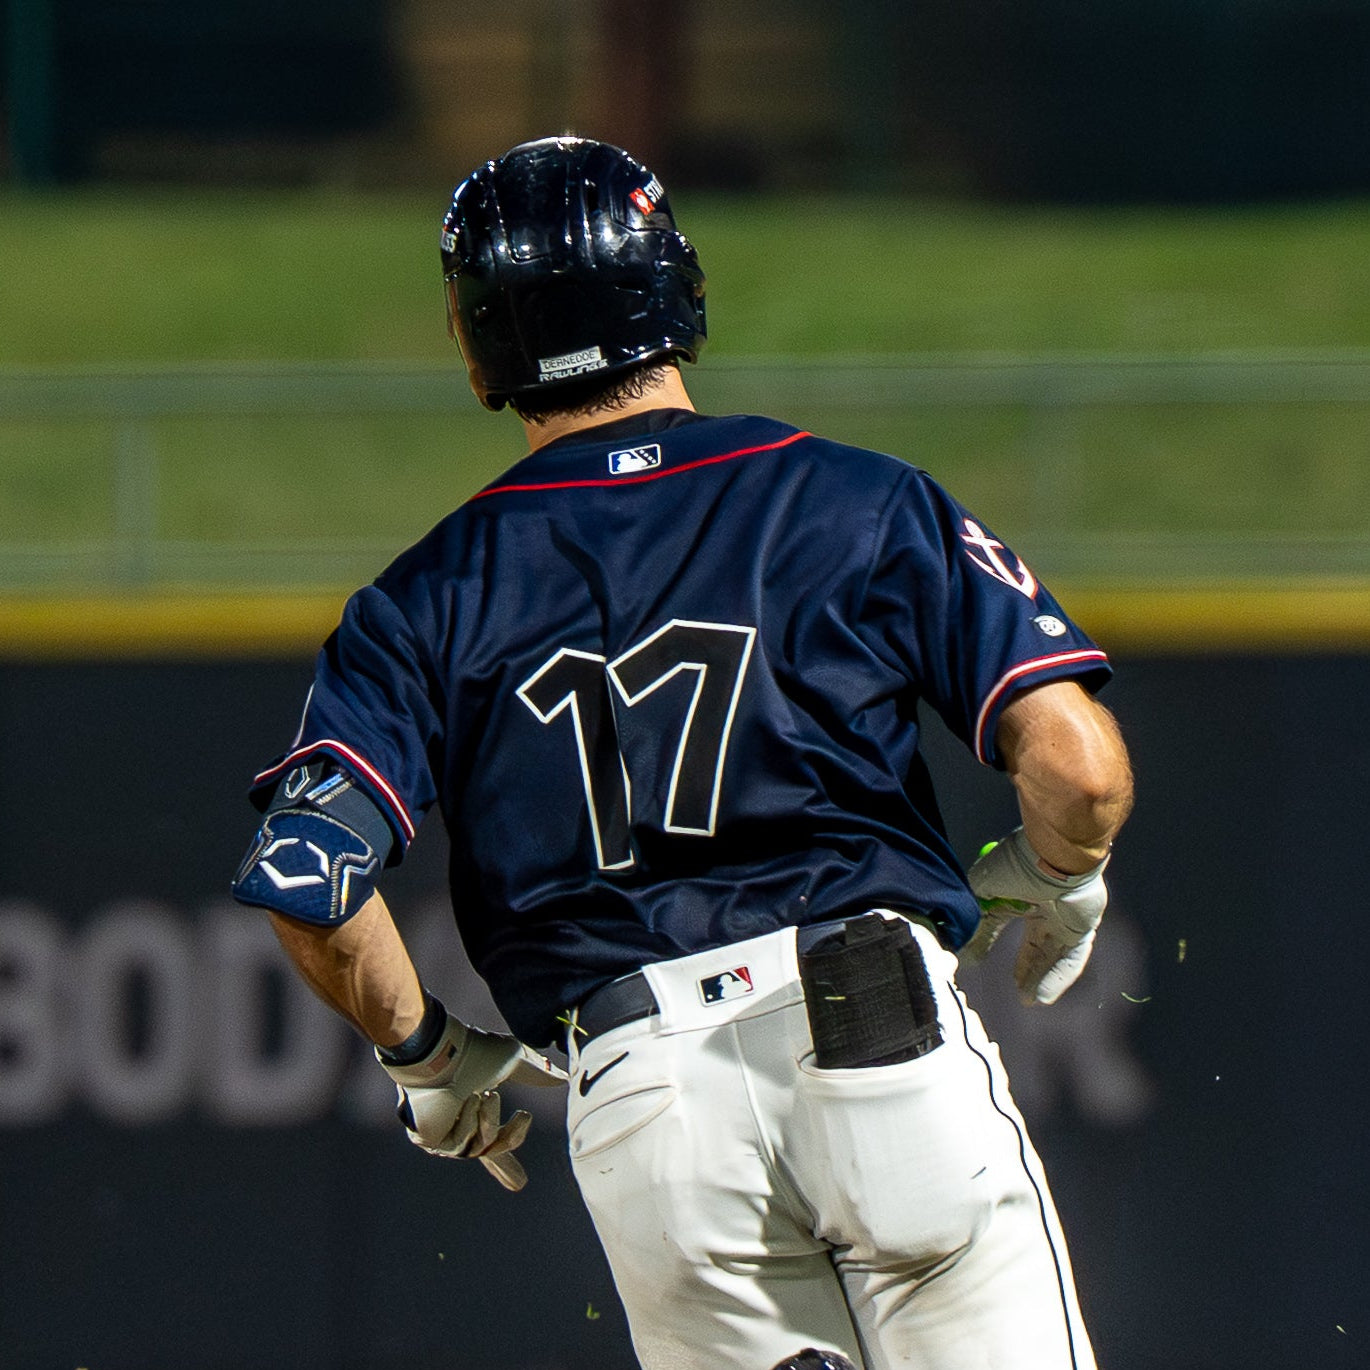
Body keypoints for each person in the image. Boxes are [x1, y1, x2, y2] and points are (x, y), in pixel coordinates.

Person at [232, 136, 1133, 1370]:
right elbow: (1077, 769)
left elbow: (307, 875)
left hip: (643, 1096)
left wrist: (429, 1059)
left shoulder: (422, 599)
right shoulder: (849, 496)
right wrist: (1058, 868)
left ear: (478, 339)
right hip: (874, 1025)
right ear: (670, 284)